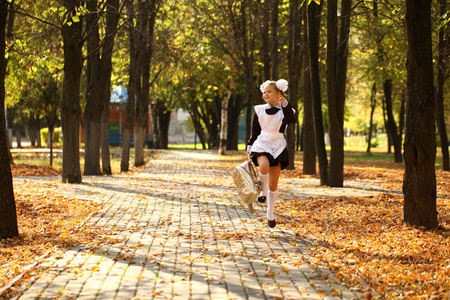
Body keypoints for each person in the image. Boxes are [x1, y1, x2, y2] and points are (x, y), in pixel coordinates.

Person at [246, 79, 296, 228]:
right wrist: (250, 144)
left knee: (274, 183)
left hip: (278, 145)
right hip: (262, 142)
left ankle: (270, 212)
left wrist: (285, 103)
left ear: (278, 93)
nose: (265, 94)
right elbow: (255, 129)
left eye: (269, 92)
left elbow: (290, 120)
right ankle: (263, 192)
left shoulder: (286, 110)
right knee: (263, 166)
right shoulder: (260, 110)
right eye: (264, 92)